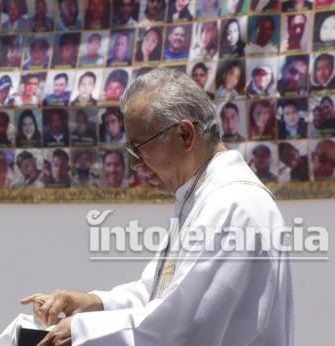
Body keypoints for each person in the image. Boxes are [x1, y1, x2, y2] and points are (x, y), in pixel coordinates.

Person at [21, 68, 292, 346]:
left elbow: (186, 328)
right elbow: (160, 296)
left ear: (185, 135)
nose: (136, 163)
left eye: (140, 147)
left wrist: (84, 330)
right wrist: (96, 303)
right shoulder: (202, 195)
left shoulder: (232, 205)